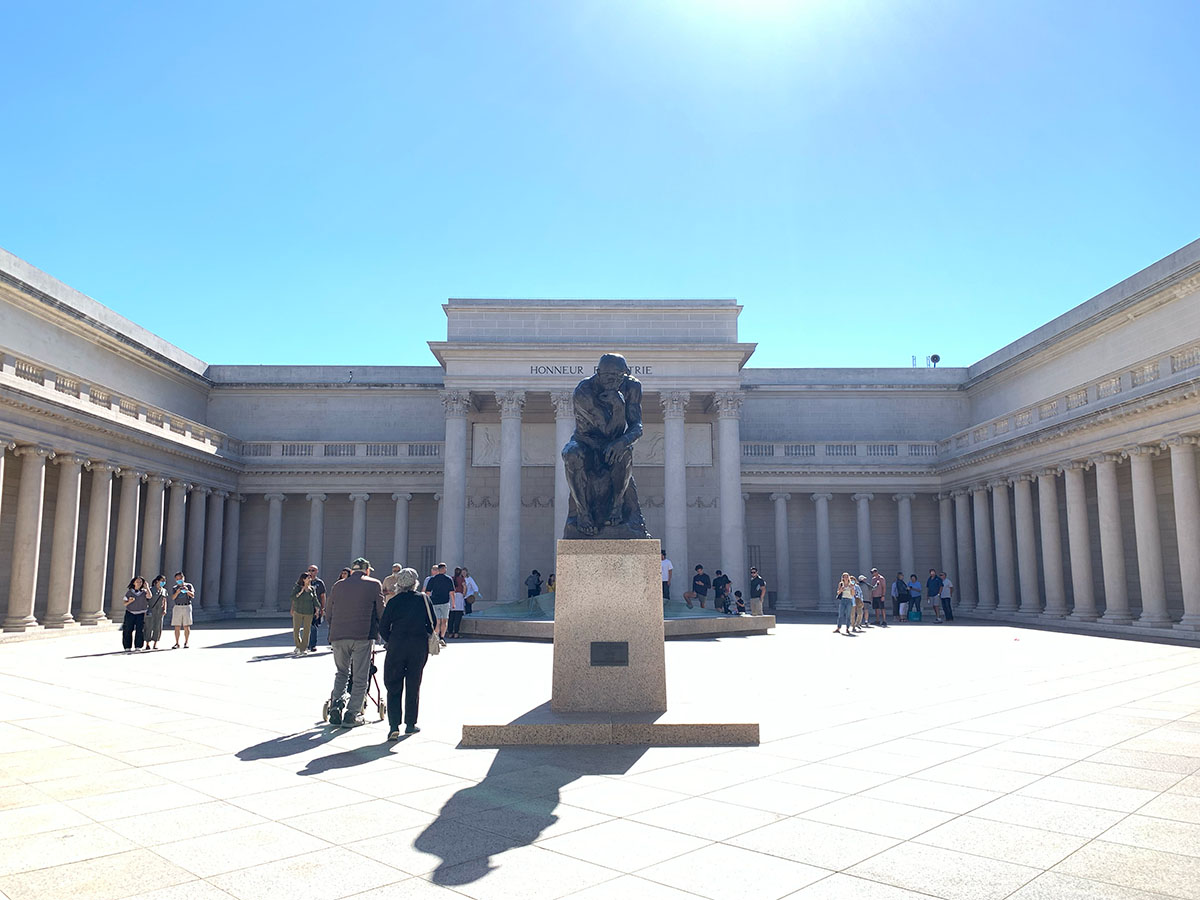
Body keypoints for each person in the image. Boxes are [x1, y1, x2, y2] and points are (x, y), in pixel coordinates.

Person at [326, 557, 385, 728]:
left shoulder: (338, 585)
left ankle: (336, 704)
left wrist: (335, 627)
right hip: (362, 635)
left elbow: (328, 612)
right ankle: (352, 713)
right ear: (367, 570)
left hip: (338, 635)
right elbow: (381, 611)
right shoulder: (374, 584)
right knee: (360, 677)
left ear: (352, 571)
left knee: (341, 672)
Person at [378, 567, 434, 739]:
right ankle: (410, 724)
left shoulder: (394, 601)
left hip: (397, 646)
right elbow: (432, 624)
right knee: (413, 684)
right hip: (418, 647)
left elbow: (383, 627)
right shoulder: (423, 599)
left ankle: (394, 725)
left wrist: (391, 639)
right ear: (415, 583)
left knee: (393, 684)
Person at [290, 570, 319, 656]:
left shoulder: (312, 589)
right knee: (296, 630)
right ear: (303, 579)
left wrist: (317, 609)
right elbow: (293, 598)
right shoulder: (297, 587)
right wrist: (301, 591)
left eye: (310, 578)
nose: (309, 579)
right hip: (298, 611)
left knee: (307, 631)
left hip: (308, 612)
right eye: (308, 578)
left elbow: (315, 600)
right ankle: (298, 646)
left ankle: (303, 648)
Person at [122, 576, 150, 653]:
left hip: (140, 613)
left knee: (140, 630)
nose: (139, 583)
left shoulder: (144, 592)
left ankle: (138, 645)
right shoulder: (130, 592)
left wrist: (147, 587)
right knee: (128, 629)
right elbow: (125, 603)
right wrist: (130, 601)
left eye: (140, 582)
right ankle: (127, 646)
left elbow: (149, 596)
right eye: (137, 582)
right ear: (133, 583)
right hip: (130, 613)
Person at [427, 563, 454, 642]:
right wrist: (453, 603)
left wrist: (427, 602)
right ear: (442, 569)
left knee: (439, 621)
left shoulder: (433, 579)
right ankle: (440, 637)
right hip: (442, 602)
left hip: (437, 602)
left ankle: (438, 637)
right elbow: (452, 592)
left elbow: (428, 592)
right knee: (442, 620)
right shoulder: (447, 579)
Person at [170, 571, 194, 649]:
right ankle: (177, 643)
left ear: (183, 578)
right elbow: (173, 598)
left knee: (186, 625)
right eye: (177, 579)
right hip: (177, 606)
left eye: (180, 578)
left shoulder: (189, 586)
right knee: (177, 626)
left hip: (186, 606)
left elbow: (193, 595)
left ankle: (186, 642)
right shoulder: (174, 588)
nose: (179, 580)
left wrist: (187, 591)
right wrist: (177, 592)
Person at [307, 565, 328, 651]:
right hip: (306, 607)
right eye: (309, 570)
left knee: (314, 626)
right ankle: (305, 644)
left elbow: (323, 596)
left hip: (316, 608)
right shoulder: (305, 581)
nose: (310, 572)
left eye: (313, 570)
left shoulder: (319, 583)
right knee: (306, 626)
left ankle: (312, 645)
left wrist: (322, 608)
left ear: (316, 572)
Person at [145, 575, 168, 649]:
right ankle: (147, 643)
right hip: (151, 609)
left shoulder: (164, 590)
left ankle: (155, 643)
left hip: (160, 610)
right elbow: (146, 600)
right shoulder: (151, 589)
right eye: (162, 581)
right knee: (148, 626)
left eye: (164, 581)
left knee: (158, 627)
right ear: (157, 581)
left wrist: (164, 609)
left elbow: (164, 600)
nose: (163, 582)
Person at [448, 567, 466, 638]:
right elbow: (464, 587)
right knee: (458, 617)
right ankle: (456, 633)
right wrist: (464, 594)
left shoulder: (452, 579)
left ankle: (450, 633)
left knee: (451, 616)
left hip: (452, 597)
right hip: (459, 596)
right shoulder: (462, 579)